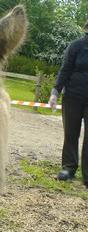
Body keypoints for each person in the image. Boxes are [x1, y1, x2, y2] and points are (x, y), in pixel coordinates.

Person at [49, 20, 88, 187]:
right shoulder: (76, 46)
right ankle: (68, 168)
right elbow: (65, 69)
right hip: (72, 96)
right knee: (71, 133)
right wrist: (55, 92)